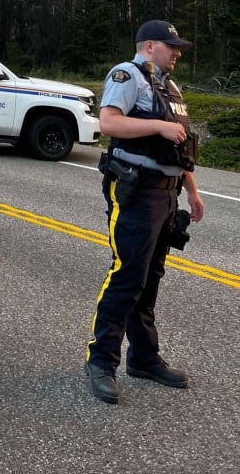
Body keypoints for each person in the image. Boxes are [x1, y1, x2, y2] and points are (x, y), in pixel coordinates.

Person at [84, 20, 205, 404]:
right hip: (136, 193)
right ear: (149, 45)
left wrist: (192, 192)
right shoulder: (127, 75)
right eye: (171, 46)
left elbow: (179, 145)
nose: (177, 52)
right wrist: (157, 126)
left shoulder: (168, 87)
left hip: (166, 195)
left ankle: (144, 358)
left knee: (149, 279)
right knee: (127, 275)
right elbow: (109, 122)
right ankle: (101, 362)